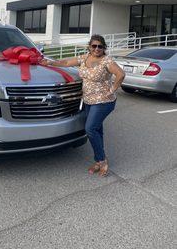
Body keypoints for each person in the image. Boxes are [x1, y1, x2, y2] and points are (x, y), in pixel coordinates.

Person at [40, 34, 125, 177]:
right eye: (94, 46)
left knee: (90, 129)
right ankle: (100, 159)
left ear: (104, 48)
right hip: (88, 100)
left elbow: (120, 74)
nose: (97, 49)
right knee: (97, 129)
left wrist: (112, 90)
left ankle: (102, 160)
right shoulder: (84, 58)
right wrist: (49, 63)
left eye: (100, 46)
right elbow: (66, 62)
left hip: (104, 101)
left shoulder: (107, 61)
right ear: (89, 47)